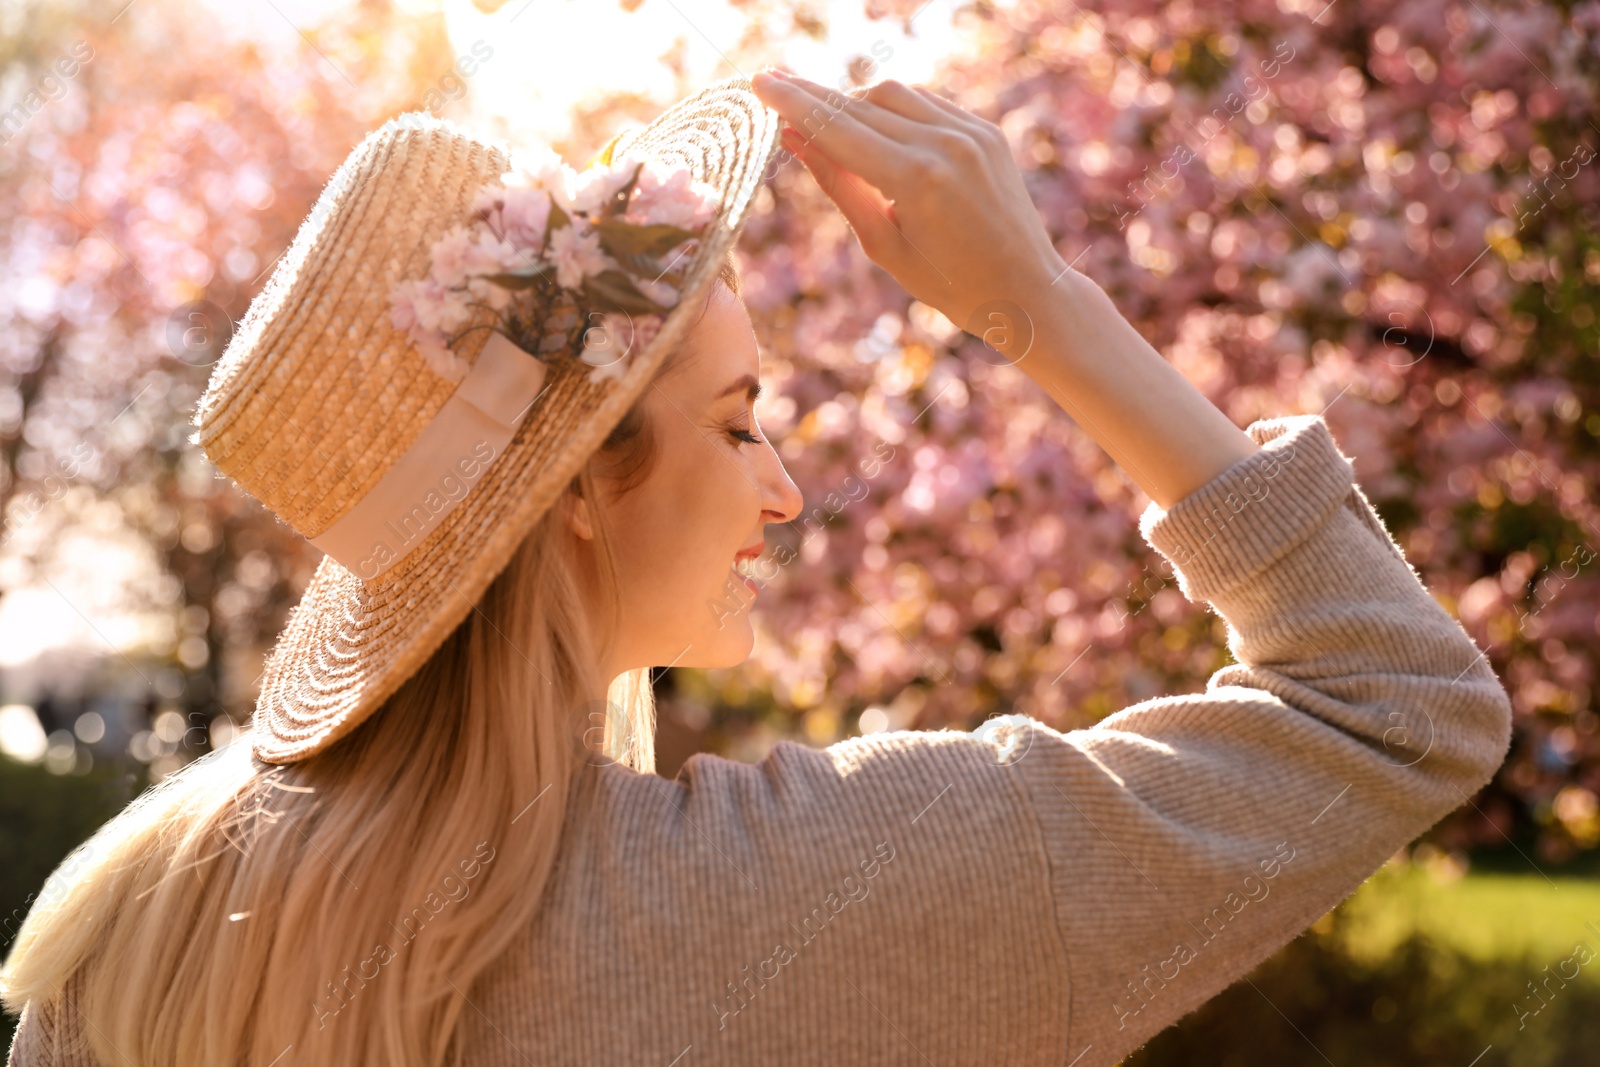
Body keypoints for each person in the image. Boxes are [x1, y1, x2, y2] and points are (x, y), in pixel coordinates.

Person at [1, 71, 1510, 1067]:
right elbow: (1394, 700)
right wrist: (1040, 303)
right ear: (581, 487)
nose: (785, 491)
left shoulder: (127, 938)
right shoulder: (813, 888)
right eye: (740, 424)